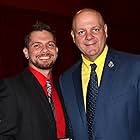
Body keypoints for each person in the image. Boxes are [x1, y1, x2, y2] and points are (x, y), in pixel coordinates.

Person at [59, 8, 140, 140]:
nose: (89, 36)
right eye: (81, 32)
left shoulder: (135, 67)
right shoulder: (65, 80)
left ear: (105, 30)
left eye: (95, 29)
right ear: (73, 37)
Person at [0, 21, 72, 140]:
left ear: (57, 51)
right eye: (37, 45)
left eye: (50, 45)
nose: (45, 50)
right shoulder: (10, 88)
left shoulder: (63, 87)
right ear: (26, 52)